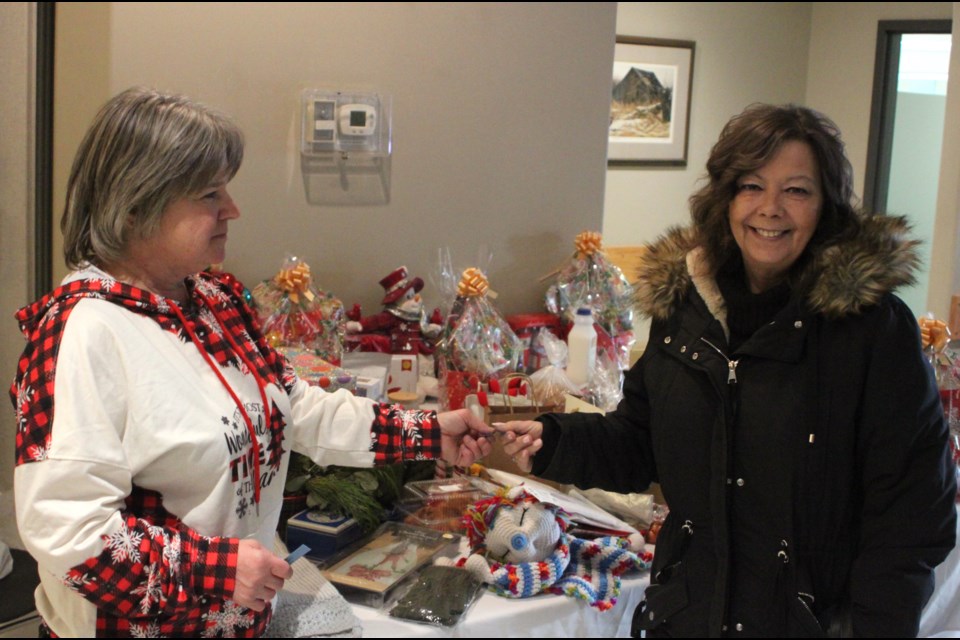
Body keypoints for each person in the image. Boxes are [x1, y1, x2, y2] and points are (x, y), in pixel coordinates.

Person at [10, 87, 493, 638]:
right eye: (209, 194)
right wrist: (218, 567)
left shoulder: (213, 299)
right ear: (138, 205)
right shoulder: (82, 331)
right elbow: (66, 528)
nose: (232, 209)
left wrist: (429, 433)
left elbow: (291, 403)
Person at [499, 104, 957, 637]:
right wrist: (553, 440)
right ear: (725, 198)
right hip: (691, 615)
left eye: (797, 190)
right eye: (751, 186)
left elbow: (912, 514)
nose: (770, 208)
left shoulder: (871, 331)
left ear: (826, 206)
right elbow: (643, 440)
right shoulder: (685, 311)